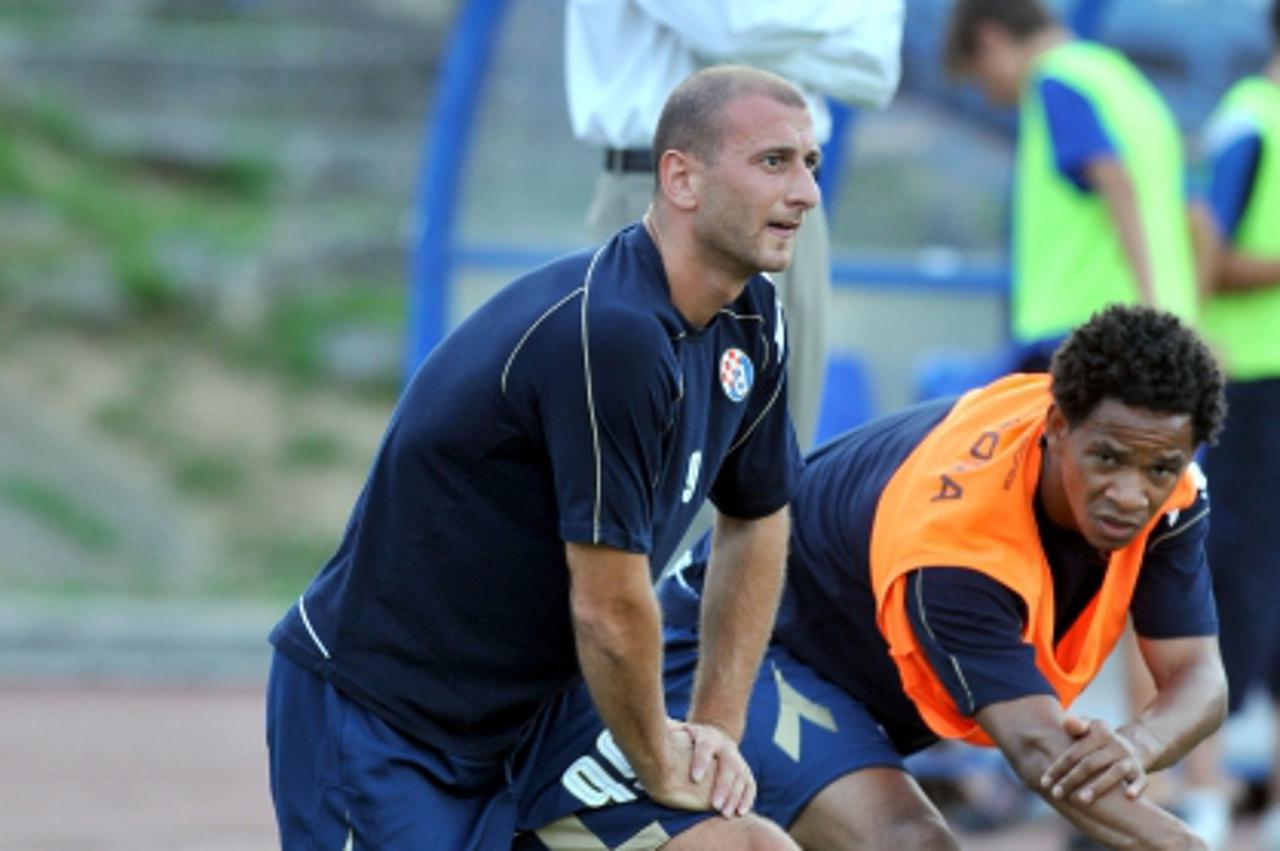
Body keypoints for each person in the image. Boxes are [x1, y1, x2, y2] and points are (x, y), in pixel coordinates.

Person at [265, 65, 819, 850]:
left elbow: (758, 518)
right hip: (392, 722)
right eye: (774, 162)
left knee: (748, 844)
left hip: (545, 718)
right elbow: (607, 605)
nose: (806, 193)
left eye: (811, 164)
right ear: (681, 178)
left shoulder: (754, 313)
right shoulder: (614, 332)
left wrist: (713, 731)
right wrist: (660, 760)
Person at [514, 305, 1229, 850]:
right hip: (737, 648)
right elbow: (1043, 754)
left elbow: (1198, 676)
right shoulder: (957, 545)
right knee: (908, 843)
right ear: (1055, 426)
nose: (1131, 494)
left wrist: (1135, 743)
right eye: (1107, 460)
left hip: (851, 677)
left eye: (1159, 467)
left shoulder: (1166, 479)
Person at [565, 0, 905, 451]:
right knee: (662, 464)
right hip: (674, 191)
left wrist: (759, 43)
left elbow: (877, 73)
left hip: (799, 205)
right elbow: (728, 26)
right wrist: (840, 17)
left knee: (778, 471)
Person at [943, 0, 1199, 372]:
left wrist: (1150, 312)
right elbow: (1192, 213)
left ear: (991, 39)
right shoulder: (1124, 82)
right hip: (1156, 325)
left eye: (979, 76)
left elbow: (1114, 180)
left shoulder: (1056, 80)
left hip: (1084, 331)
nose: (988, 95)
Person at [1178, 5, 1280, 847]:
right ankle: (1203, 792)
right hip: (1252, 384)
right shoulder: (1249, 120)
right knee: (1228, 576)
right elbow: (1206, 250)